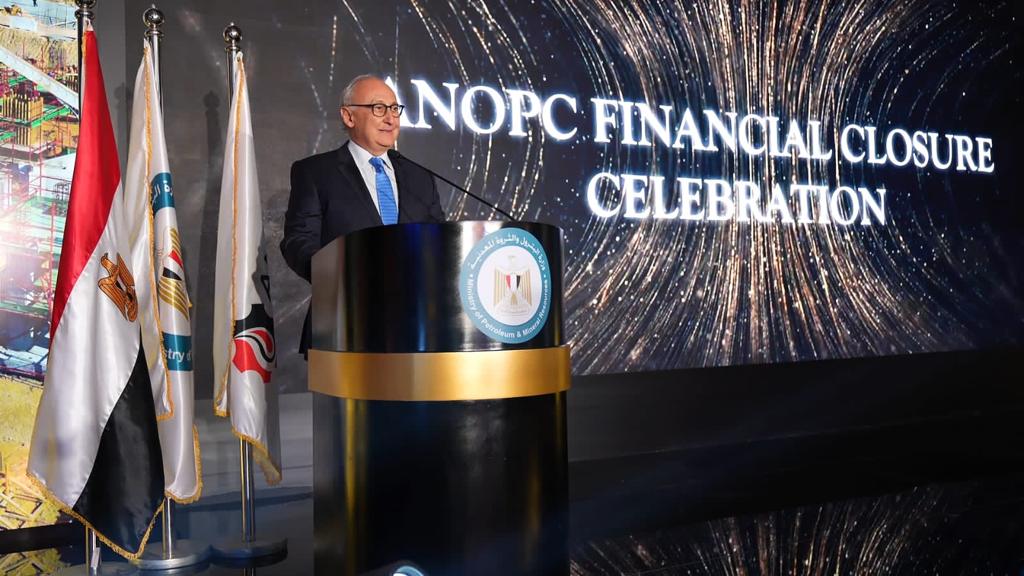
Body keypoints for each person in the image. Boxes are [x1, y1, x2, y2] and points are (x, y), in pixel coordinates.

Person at [281, 74, 445, 356]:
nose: (391, 119)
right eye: (379, 108)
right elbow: (298, 241)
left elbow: (440, 243)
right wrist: (340, 278)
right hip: (344, 326)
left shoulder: (420, 178)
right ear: (348, 116)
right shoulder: (316, 172)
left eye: (395, 109)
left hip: (417, 329)